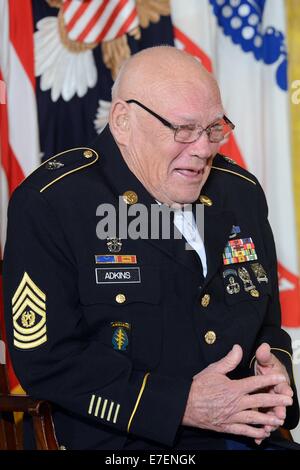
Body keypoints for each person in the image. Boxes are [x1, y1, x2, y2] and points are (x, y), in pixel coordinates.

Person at [3, 46, 299, 450]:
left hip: (244, 437)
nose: (204, 148)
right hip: (126, 442)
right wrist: (180, 405)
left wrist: (276, 368)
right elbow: (48, 360)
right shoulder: (53, 203)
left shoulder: (239, 194)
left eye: (215, 128)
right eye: (183, 129)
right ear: (123, 121)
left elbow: (266, 323)